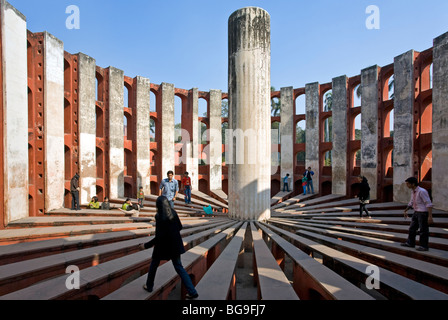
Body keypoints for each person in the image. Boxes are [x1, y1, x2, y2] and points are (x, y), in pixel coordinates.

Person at [139, 196, 199, 300]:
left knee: (154, 264)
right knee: (179, 267)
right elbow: (180, 227)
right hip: (175, 245)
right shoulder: (173, 212)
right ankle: (192, 292)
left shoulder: (159, 216)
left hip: (163, 246)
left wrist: (145, 245)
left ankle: (149, 286)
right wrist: (172, 232)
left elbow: (158, 237)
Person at [401, 177, 434, 252]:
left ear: (413, 184)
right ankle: (410, 242)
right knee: (412, 229)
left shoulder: (422, 191)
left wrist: (430, 216)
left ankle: (424, 246)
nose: (407, 185)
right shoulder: (413, 191)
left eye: (408, 184)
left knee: (423, 230)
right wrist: (405, 210)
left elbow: (428, 203)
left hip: (423, 213)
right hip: (416, 212)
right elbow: (411, 202)